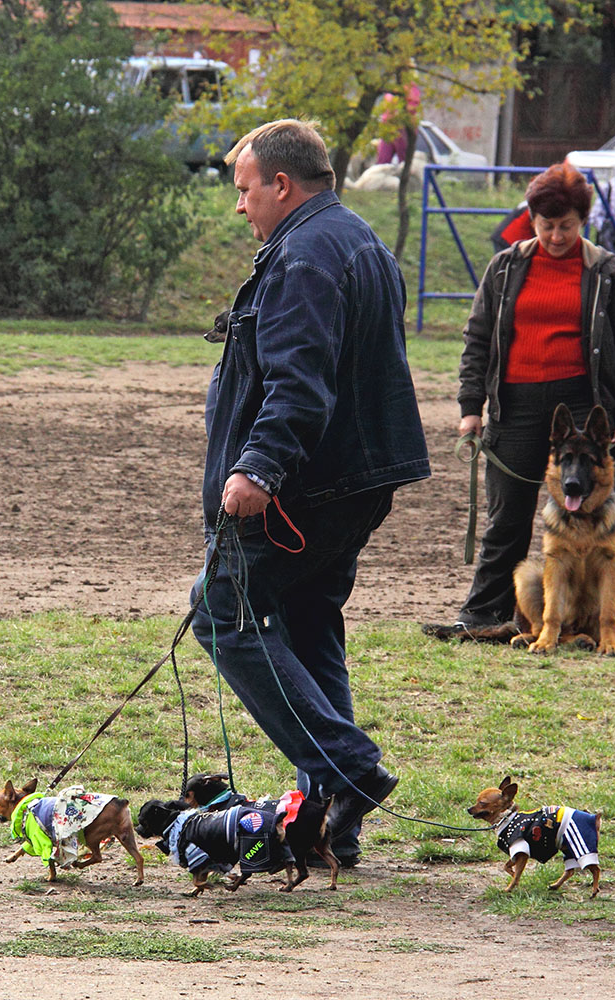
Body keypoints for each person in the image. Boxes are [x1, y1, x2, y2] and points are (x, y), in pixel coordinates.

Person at [190, 119, 431, 863]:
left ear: (281, 185)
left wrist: (257, 467)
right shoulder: (360, 241)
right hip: (352, 482)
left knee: (221, 612)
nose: (241, 207)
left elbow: (300, 381)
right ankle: (326, 833)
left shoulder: (303, 255)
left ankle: (343, 770)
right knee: (308, 624)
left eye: (244, 190)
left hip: (305, 488)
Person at [425, 161, 615, 652]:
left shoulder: (611, 273)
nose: (556, 236)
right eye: (546, 225)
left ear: (584, 221)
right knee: (507, 515)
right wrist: (472, 405)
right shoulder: (505, 268)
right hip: (514, 405)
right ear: (531, 220)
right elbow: (477, 338)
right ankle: (484, 613)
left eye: (567, 226)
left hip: (584, 403)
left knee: (611, 511)